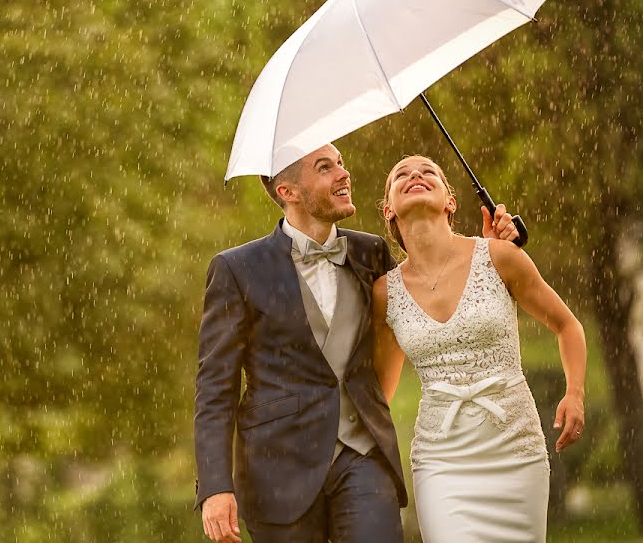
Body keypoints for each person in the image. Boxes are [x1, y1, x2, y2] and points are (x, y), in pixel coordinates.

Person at [193, 144, 517, 543]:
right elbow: (214, 389)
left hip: (364, 456)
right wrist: (214, 486)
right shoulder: (237, 269)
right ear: (288, 192)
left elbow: (433, 287)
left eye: (342, 163)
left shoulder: (370, 253)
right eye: (325, 168)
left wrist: (490, 253)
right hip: (276, 468)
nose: (344, 174)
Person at [372, 155, 587, 543]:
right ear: (389, 208)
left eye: (428, 172)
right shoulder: (384, 294)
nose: (415, 175)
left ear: (451, 202)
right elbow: (380, 395)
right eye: (400, 174)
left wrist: (575, 393)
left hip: (515, 451)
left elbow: (566, 324)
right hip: (441, 462)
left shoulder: (500, 256)